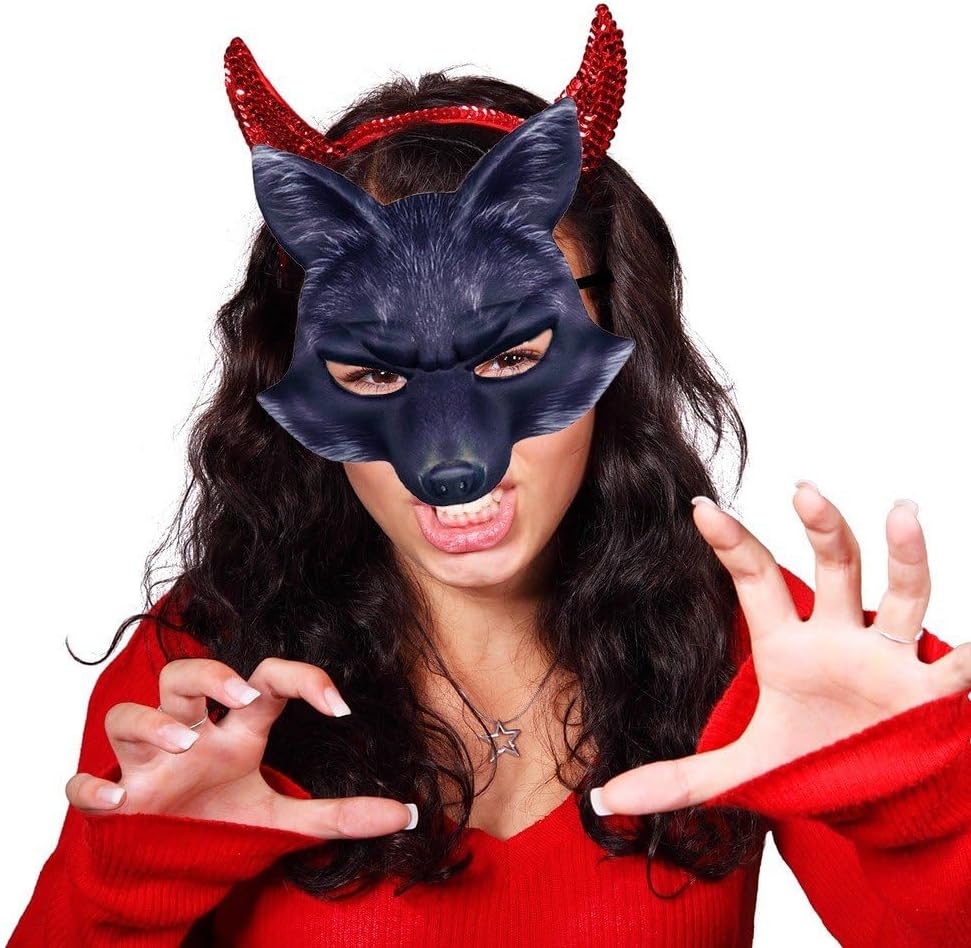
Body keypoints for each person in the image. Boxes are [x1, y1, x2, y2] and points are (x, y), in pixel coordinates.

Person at [9, 6, 970, 946]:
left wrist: (927, 815)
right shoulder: (208, 680)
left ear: (615, 343)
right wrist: (127, 886)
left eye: (510, 356)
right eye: (373, 373)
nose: (449, 459)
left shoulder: (773, 648)